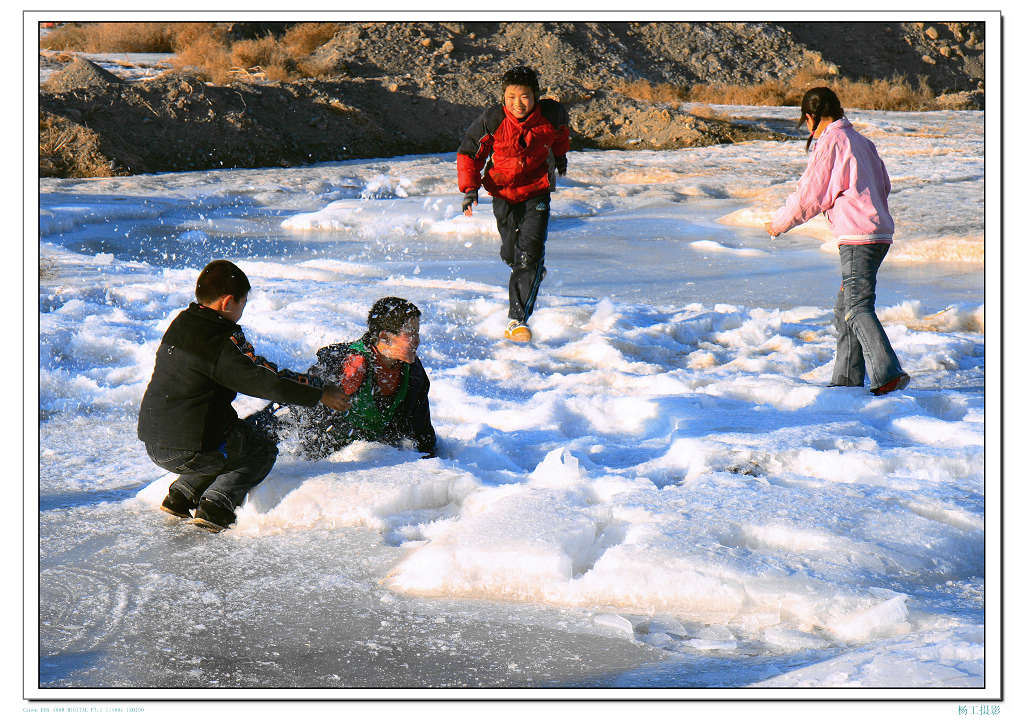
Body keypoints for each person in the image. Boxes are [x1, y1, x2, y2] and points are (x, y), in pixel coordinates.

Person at [137, 260, 351, 532]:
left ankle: (180, 496)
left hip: (155, 442)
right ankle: (217, 505)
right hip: (190, 448)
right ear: (228, 303)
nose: (242, 310)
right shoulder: (220, 340)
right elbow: (265, 380)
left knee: (237, 435)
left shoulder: (183, 322)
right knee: (260, 448)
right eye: (243, 303)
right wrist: (320, 391)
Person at [766, 87, 911, 396]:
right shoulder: (862, 141)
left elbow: (810, 193)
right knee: (844, 307)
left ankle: (888, 374)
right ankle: (845, 381)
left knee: (857, 307)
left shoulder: (831, 142)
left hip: (858, 237)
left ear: (809, 117)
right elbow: (883, 184)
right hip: (877, 233)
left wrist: (779, 224)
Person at [457, 65, 570, 343]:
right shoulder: (493, 120)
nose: (517, 104)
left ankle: (517, 320)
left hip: (537, 191)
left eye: (524, 97)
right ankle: (529, 270)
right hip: (503, 193)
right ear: (503, 97)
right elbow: (470, 152)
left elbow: (560, 137)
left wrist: (561, 157)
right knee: (511, 254)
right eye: (511, 97)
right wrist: (470, 189)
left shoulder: (551, 115)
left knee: (528, 254)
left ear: (535, 97)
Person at [252, 297, 437, 460]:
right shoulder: (352, 366)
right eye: (410, 334)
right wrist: (310, 461)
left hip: (370, 450)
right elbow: (306, 409)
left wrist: (430, 461)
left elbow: (421, 428)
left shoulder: (413, 371)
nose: (417, 340)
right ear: (384, 337)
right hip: (330, 448)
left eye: (417, 332)